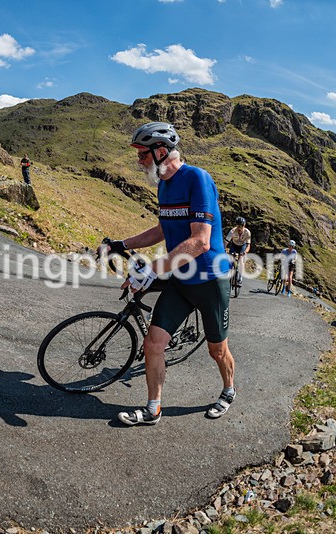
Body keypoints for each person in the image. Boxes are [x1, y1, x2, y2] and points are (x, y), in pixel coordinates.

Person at [101, 122, 236, 426]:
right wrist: (123, 243)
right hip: (181, 280)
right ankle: (153, 408)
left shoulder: (197, 179)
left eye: (142, 155)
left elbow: (201, 240)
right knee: (153, 343)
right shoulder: (163, 184)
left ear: (161, 151)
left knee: (217, 350)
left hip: (210, 281)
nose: (139, 161)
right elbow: (164, 229)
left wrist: (152, 269)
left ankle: (228, 390)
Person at [225, 217, 251, 286]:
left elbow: (248, 245)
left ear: (244, 226)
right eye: (238, 226)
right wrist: (223, 249)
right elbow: (226, 242)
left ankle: (240, 277)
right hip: (234, 245)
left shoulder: (247, 232)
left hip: (242, 246)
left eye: (241, 226)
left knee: (241, 259)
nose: (239, 228)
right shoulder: (232, 231)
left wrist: (245, 252)